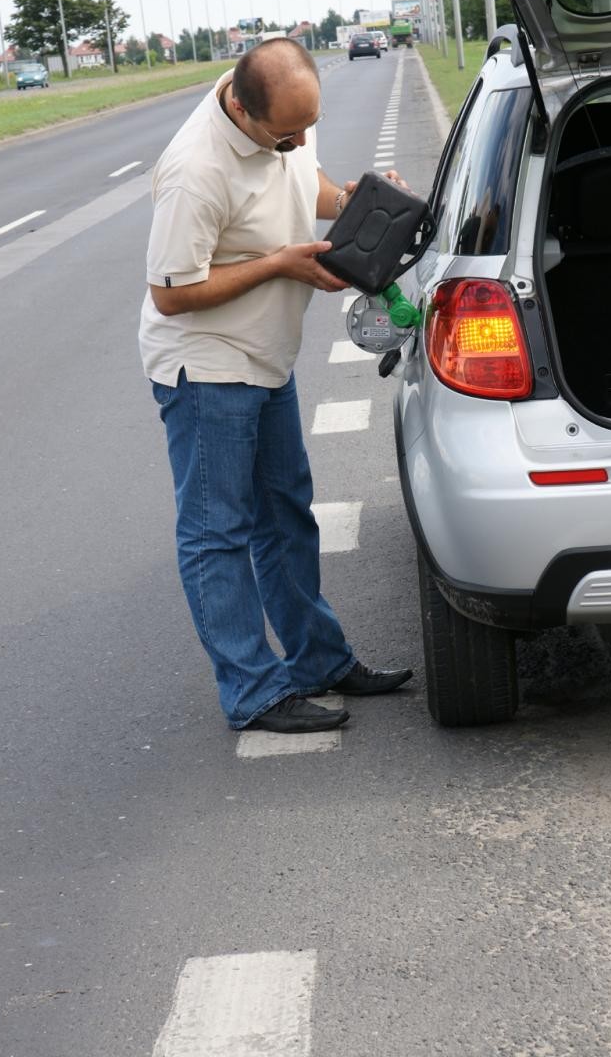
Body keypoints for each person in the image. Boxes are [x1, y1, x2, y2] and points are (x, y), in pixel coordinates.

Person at [139, 39, 412, 734]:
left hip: (267, 358)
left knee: (287, 513)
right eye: (283, 133)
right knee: (218, 534)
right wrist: (280, 266)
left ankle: (318, 661)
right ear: (240, 104)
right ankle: (254, 692)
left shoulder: (286, 116)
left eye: (303, 128)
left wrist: (356, 202)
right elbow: (172, 295)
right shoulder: (194, 171)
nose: (296, 141)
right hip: (207, 367)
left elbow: (301, 182)